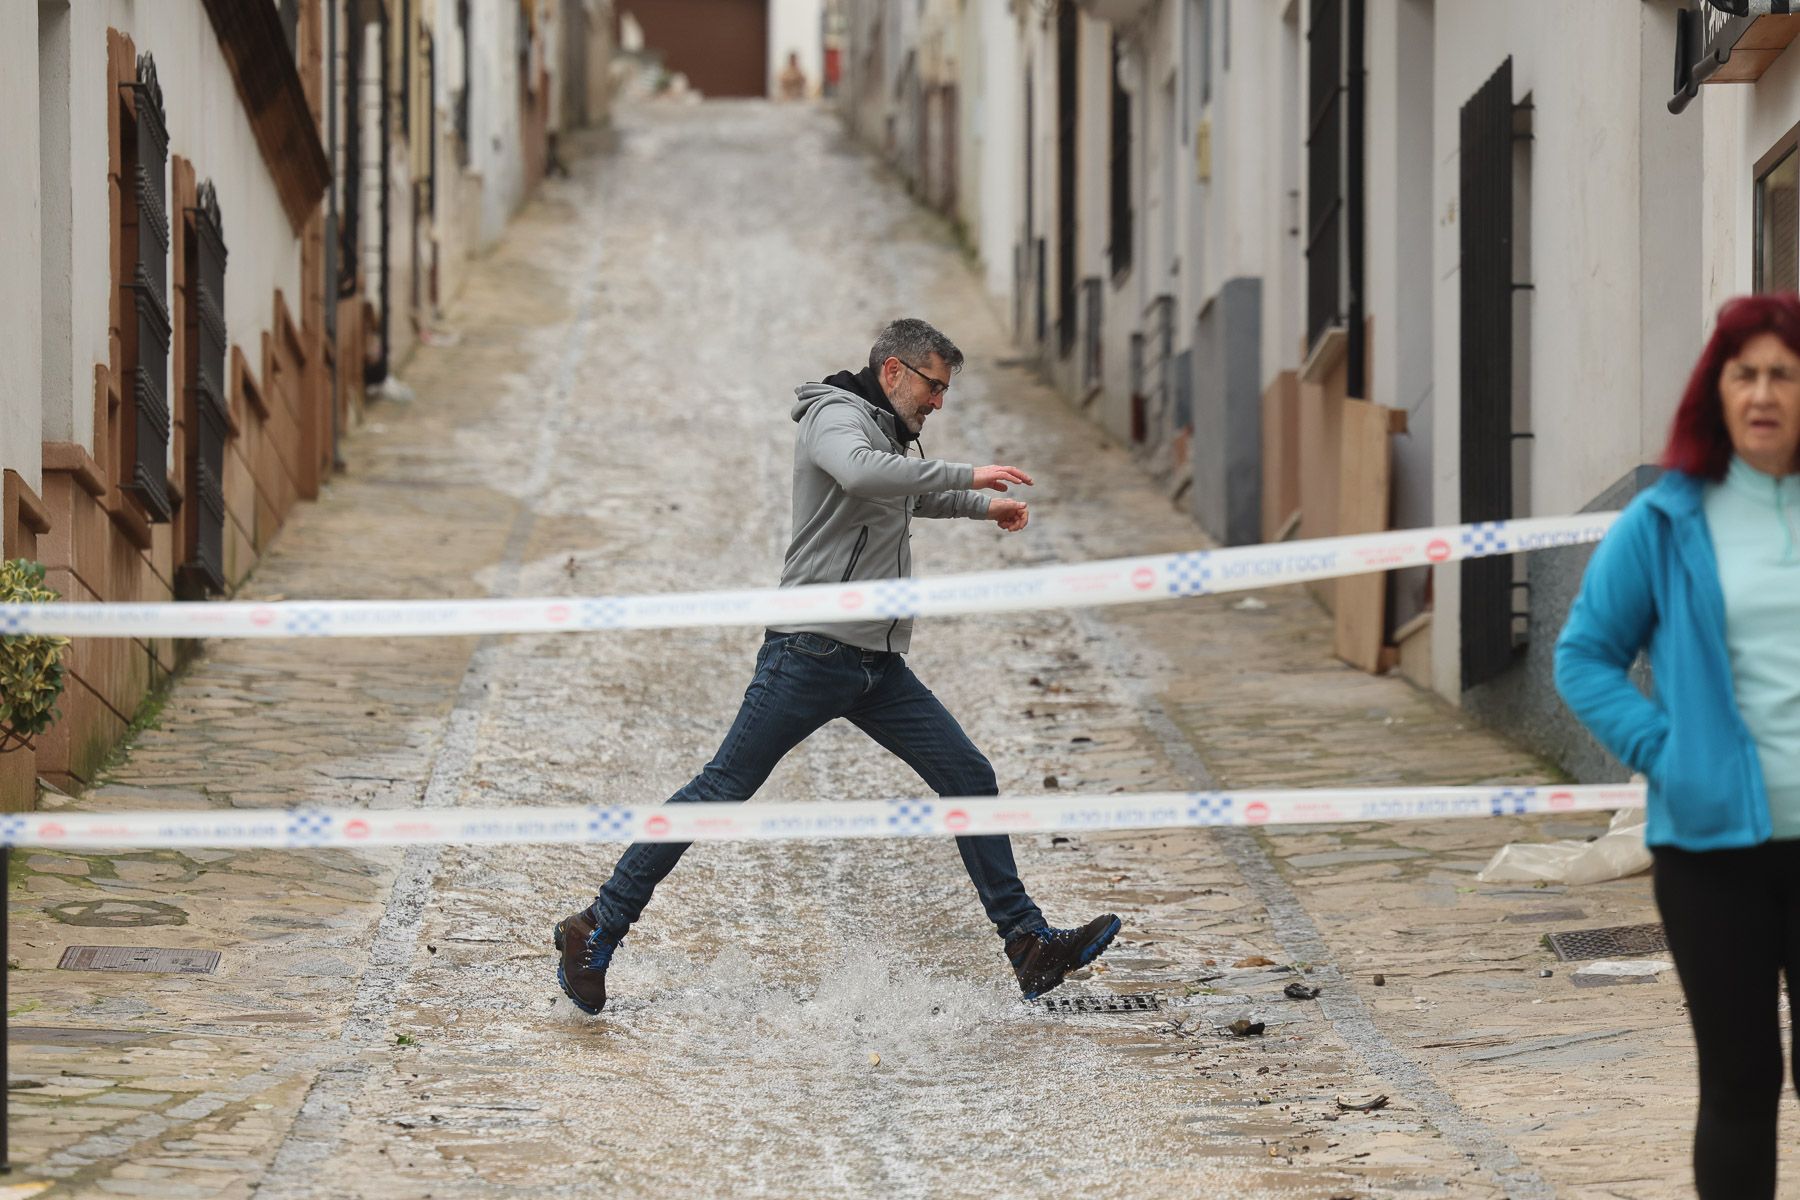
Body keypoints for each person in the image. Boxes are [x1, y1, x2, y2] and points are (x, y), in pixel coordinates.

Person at [555, 318, 1120, 1013]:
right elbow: (862, 474)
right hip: (810, 650)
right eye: (933, 386)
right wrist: (968, 471)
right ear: (894, 372)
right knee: (721, 788)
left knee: (968, 775)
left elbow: (906, 490)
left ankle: (1028, 947)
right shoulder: (833, 417)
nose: (938, 402)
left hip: (877, 665)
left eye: (944, 390)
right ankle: (596, 927)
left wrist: (983, 504)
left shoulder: (886, 433)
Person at [1556, 293, 1800, 1199]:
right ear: (1718, 391)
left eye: (1784, 372)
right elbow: (1583, 657)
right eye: (1746, 373)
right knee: (1740, 1084)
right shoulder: (1666, 522)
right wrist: (1668, 748)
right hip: (1711, 853)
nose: (1764, 391)